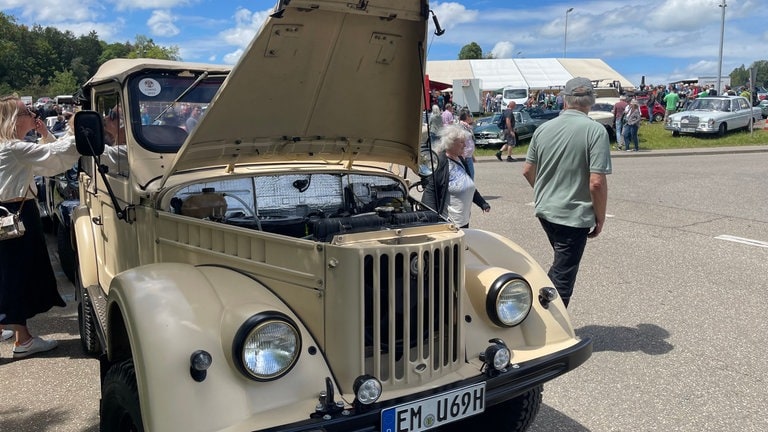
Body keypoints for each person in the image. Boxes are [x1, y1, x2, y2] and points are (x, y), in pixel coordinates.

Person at [0, 94, 82, 358]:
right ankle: (23, 340)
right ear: (16, 119)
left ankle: (17, 334)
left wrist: (44, 131)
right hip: (19, 215)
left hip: (9, 213)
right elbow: (54, 156)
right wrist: (80, 133)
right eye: (27, 112)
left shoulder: (10, 148)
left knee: (8, 274)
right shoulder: (14, 148)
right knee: (17, 276)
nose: (33, 115)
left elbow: (48, 162)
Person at [522, 77, 612, 308]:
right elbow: (597, 183)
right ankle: (548, 326)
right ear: (591, 101)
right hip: (573, 215)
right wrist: (600, 217)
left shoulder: (543, 129)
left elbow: (528, 170)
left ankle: (536, 313)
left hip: (546, 210)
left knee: (561, 264)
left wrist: (546, 191)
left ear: (565, 100)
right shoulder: (595, 131)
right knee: (563, 275)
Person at [421, 124, 490, 228]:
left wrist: (482, 203)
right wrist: (432, 221)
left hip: (463, 221)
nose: (465, 145)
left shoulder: (460, 160)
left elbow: (467, 184)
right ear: (450, 143)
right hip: (449, 225)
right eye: (462, 142)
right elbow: (430, 191)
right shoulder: (441, 163)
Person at [458, 112, 476, 178]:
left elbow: (469, 142)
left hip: (468, 155)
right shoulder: (462, 126)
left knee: (470, 175)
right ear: (466, 117)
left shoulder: (466, 126)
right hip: (465, 156)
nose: (471, 117)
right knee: (470, 175)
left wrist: (472, 156)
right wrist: (463, 155)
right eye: (469, 116)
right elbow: (462, 141)